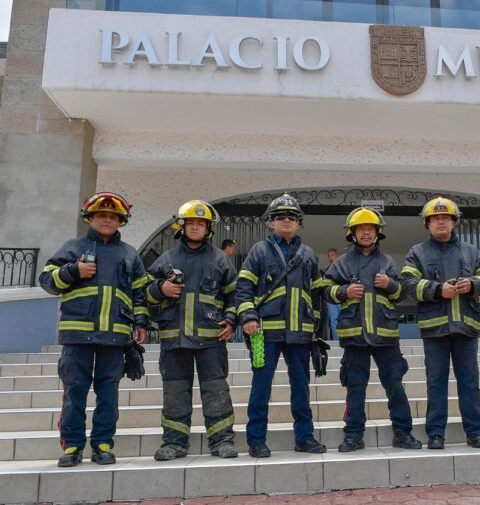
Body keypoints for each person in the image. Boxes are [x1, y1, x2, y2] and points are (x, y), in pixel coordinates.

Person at [39, 192, 149, 467]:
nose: (107, 220)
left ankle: (102, 444)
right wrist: (72, 271)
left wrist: (141, 324)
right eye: (101, 215)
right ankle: (72, 447)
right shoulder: (73, 248)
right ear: (90, 218)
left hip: (115, 337)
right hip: (77, 337)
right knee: (75, 391)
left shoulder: (130, 254)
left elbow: (140, 295)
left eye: (113, 217)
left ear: (121, 221)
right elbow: (46, 280)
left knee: (108, 393)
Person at [234, 193, 326, 458]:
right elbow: (243, 288)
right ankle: (256, 441)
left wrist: (315, 329)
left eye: (292, 217)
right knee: (261, 388)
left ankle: (305, 438)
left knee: (301, 388)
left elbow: (317, 293)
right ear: (270, 222)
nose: (286, 220)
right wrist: (249, 317)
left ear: (298, 223)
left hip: (300, 334)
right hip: (265, 333)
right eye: (280, 217)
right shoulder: (258, 251)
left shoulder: (308, 254)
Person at [146, 200, 239, 461]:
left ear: (208, 228)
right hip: (174, 341)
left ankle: (221, 441)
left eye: (201, 223)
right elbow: (141, 293)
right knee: (175, 394)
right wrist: (159, 289)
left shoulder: (220, 259)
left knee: (217, 392)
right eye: (191, 223)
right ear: (182, 227)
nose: (196, 227)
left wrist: (231, 320)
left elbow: (235, 295)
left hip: (211, 341)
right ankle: (174, 443)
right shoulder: (167, 259)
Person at [401, 197, 480, 450]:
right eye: (435, 219)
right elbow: (408, 284)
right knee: (436, 383)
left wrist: (473, 284)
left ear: (454, 222)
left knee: (469, 383)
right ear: (428, 224)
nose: (441, 222)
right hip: (435, 330)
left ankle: (475, 432)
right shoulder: (417, 252)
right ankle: (435, 434)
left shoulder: (471, 251)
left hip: (466, 328)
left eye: (445, 218)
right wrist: (437, 289)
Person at [324, 208, 422, 452]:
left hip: (386, 336)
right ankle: (353, 436)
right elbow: (324, 290)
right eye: (361, 229)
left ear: (378, 233)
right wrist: (343, 291)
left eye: (370, 229)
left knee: (395, 385)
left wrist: (390, 285)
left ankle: (402, 433)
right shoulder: (341, 263)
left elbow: (400, 294)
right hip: (354, 336)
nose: (366, 233)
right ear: (352, 233)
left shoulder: (387, 262)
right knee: (355, 388)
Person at [325, 248, 340, 340]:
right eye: (329, 255)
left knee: (344, 320)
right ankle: (337, 341)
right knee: (334, 321)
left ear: (336, 255)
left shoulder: (343, 267)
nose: (331, 257)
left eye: (333, 255)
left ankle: (345, 342)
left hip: (343, 297)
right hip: (331, 299)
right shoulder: (327, 270)